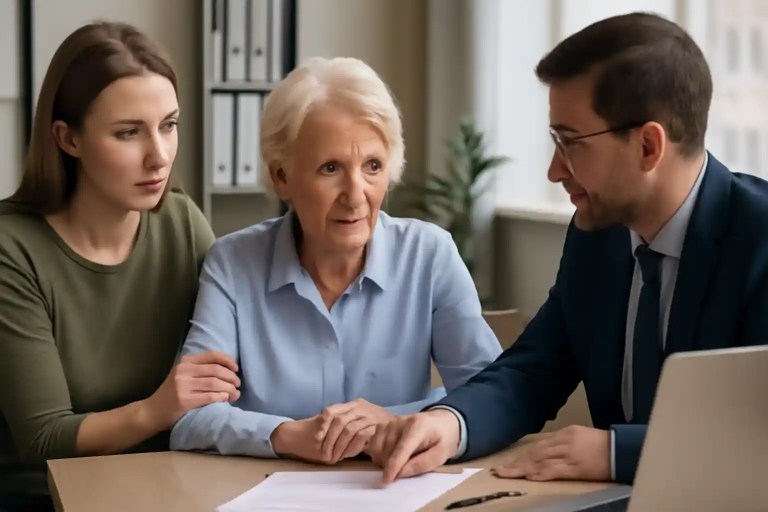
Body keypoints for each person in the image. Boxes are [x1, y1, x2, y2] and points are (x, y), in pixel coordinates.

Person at [366, 12, 768, 485]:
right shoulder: (597, 237)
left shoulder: (757, 240)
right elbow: (534, 368)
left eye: (571, 142)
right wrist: (451, 423)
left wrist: (620, 453)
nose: (555, 170)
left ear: (647, 147)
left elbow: (756, 433)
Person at [169, 57, 501, 464]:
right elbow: (190, 419)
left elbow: (490, 398)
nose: (356, 193)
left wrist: (390, 422)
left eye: (373, 166)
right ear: (281, 176)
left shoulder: (429, 255)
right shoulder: (233, 263)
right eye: (331, 168)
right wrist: (286, 434)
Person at [0, 22, 241, 511]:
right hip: (44, 499)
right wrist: (159, 408)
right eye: (128, 132)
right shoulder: (13, 249)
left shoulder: (182, 222)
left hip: (172, 485)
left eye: (168, 125)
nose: (159, 156)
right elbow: (45, 437)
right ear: (68, 139)